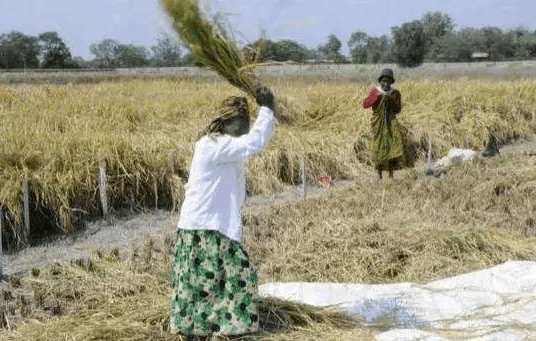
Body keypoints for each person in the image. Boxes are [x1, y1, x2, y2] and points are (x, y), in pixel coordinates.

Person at [170, 87, 276, 340]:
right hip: (204, 226)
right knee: (234, 274)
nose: (245, 127)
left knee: (207, 281)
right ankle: (214, 329)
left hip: (212, 224)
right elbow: (256, 142)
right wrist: (267, 109)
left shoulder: (226, 147)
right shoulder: (213, 145)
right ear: (227, 122)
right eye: (242, 122)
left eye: (247, 122)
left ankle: (210, 329)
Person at [362, 68, 409, 179]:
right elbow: (365, 104)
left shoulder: (395, 93)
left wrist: (390, 99)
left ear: (392, 82)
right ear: (380, 81)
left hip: (391, 122)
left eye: (388, 81)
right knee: (379, 147)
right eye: (384, 81)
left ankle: (391, 174)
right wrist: (376, 97)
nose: (386, 83)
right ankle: (379, 174)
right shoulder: (375, 91)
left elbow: (398, 110)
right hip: (378, 123)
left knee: (393, 147)